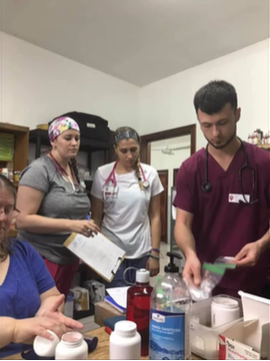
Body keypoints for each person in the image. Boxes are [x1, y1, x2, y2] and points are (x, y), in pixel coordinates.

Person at [174, 80, 270, 298]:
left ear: (237, 114)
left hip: (254, 287)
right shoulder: (190, 169)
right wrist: (189, 254)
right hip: (204, 285)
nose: (215, 133)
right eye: (206, 126)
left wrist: (261, 245)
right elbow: (182, 223)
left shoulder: (264, 164)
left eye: (222, 122)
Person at [0, 175, 83, 357]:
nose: (2, 218)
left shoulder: (23, 251)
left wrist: (46, 316)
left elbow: (51, 296)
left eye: (8, 209)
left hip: (32, 353)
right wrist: (15, 329)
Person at [16, 117, 100, 296]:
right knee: (40, 313)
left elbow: (71, 209)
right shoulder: (39, 170)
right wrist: (71, 225)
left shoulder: (72, 171)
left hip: (67, 256)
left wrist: (85, 222)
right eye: (68, 138)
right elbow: (21, 220)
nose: (74, 143)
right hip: (42, 257)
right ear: (53, 140)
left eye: (77, 138)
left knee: (57, 309)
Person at [91, 126, 163, 287]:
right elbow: (96, 217)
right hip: (110, 251)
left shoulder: (150, 174)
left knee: (138, 301)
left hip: (141, 251)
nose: (129, 156)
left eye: (133, 149)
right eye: (124, 151)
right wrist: (95, 252)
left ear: (139, 146)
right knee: (115, 303)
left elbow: (156, 216)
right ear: (115, 149)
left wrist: (155, 253)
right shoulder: (102, 174)